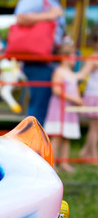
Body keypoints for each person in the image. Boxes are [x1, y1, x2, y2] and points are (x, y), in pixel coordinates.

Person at [14, 0, 66, 125]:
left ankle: (36, 145)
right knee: (38, 109)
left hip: (49, 59)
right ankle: (31, 147)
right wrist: (50, 16)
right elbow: (20, 17)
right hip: (38, 60)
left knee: (42, 108)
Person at [43, 42, 83, 172]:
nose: (75, 59)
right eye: (73, 56)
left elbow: (75, 89)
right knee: (57, 136)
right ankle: (51, 162)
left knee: (67, 136)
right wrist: (73, 98)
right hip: (59, 108)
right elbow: (56, 90)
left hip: (69, 109)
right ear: (65, 57)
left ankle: (64, 162)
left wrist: (78, 100)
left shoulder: (71, 73)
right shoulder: (59, 72)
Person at [78, 30, 98, 159]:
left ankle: (86, 152)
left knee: (94, 127)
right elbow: (81, 75)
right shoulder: (93, 57)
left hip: (94, 94)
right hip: (94, 95)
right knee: (95, 127)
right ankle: (92, 155)